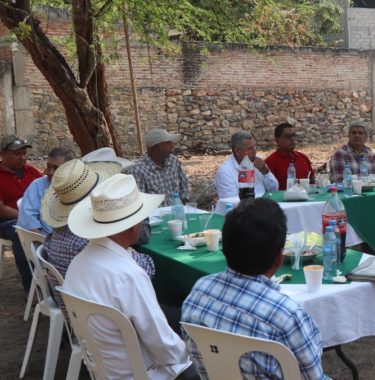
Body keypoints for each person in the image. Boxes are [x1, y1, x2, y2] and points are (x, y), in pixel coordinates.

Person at [64, 173, 195, 379]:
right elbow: (163, 345)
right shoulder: (127, 274)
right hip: (140, 372)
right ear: (134, 226)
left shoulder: (79, 263)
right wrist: (192, 353)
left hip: (105, 368)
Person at [182, 198, 329, 379]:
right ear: (279, 258)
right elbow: (314, 376)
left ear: (225, 248)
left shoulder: (199, 291)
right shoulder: (286, 316)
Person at [41, 159, 155, 278]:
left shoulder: (58, 232)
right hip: (99, 294)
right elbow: (147, 268)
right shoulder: (88, 241)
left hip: (69, 294)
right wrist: (135, 209)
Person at [0, 135, 43, 292]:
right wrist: (26, 217)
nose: (22, 157)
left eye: (24, 153)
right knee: (22, 233)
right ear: (3, 154)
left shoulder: (31, 171)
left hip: (35, 217)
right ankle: (32, 287)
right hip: (7, 221)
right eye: (17, 154)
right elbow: (1, 209)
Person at [17, 147, 76, 236]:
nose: (50, 172)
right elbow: (27, 220)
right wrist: (44, 243)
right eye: (48, 167)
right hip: (47, 240)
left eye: (56, 168)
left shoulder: (80, 186)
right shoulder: (37, 185)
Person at [129, 128, 189, 206]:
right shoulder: (138, 170)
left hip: (176, 212)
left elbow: (184, 182)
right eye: (168, 143)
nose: (172, 146)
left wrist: (183, 205)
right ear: (157, 148)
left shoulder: (173, 161)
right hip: (155, 216)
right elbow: (139, 202)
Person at [215, 131, 279, 199]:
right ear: (237, 151)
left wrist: (266, 172)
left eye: (255, 147)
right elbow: (231, 203)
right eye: (250, 149)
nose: (255, 151)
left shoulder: (258, 164)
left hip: (264, 205)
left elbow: (274, 190)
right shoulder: (225, 172)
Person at [266, 122, 315, 190]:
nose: (292, 139)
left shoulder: (303, 158)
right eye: (288, 136)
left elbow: (312, 181)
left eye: (293, 136)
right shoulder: (270, 162)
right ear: (277, 140)